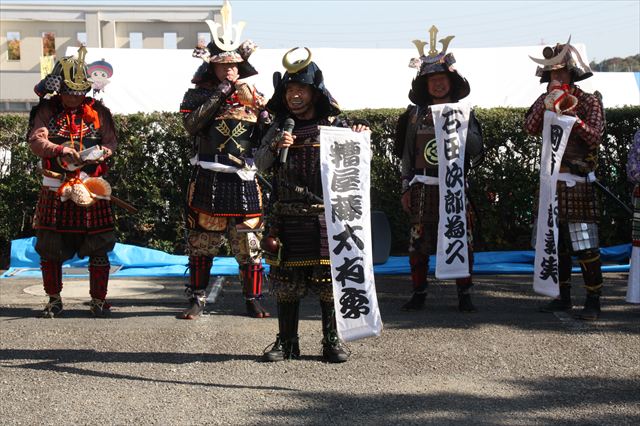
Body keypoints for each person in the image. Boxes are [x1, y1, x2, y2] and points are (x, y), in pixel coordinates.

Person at [255, 48, 369, 363]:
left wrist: (359, 134)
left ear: (314, 92)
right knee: (286, 284)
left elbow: (355, 165)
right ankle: (286, 343)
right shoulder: (279, 126)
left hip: (325, 217)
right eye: (289, 89)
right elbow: (260, 163)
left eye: (301, 89)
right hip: (286, 216)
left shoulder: (335, 124)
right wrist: (276, 145)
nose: (294, 95)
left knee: (329, 283)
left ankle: (332, 342)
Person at [179, 34, 271, 319]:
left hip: (244, 179)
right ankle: (197, 298)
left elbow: (268, 134)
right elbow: (191, 125)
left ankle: (253, 299)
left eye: (234, 64)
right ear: (212, 66)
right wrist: (220, 93)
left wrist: (260, 108)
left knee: (249, 242)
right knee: (201, 243)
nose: (229, 69)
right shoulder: (197, 95)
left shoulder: (253, 95)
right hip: (208, 177)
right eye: (223, 64)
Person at [395, 28, 484, 312]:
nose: (437, 84)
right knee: (418, 243)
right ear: (425, 84)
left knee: (461, 240)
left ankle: (465, 294)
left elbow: (476, 149)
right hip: (422, 186)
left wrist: (459, 125)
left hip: (454, 186)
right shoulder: (413, 116)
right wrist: (405, 187)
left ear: (451, 82)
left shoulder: (465, 113)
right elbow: (407, 156)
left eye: (442, 79)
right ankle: (419, 292)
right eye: (432, 80)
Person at [28, 47, 118, 318]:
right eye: (69, 92)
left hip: (91, 186)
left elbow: (110, 142)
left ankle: (99, 300)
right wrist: (59, 150)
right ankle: (54, 299)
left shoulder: (98, 112)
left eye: (79, 92)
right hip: (56, 186)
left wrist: (101, 153)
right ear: (59, 89)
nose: (75, 97)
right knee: (50, 246)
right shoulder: (46, 111)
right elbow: (36, 141)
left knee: (99, 245)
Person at [524, 39, 606, 320]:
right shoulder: (544, 100)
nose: (556, 77)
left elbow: (595, 136)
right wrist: (547, 102)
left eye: (561, 72)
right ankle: (562, 297)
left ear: (572, 73)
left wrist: (573, 117)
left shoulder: (589, 101)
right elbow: (529, 127)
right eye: (552, 73)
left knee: (585, 244)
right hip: (551, 183)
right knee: (554, 243)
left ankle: (593, 300)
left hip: (577, 182)